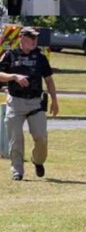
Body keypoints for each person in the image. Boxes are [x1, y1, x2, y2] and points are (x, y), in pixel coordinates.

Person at [0, 27, 59, 181]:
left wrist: (55, 100)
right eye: (31, 38)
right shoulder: (10, 55)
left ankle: (37, 160)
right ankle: (17, 171)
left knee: (41, 137)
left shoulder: (40, 57)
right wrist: (14, 77)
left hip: (35, 103)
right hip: (15, 102)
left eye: (36, 38)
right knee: (15, 138)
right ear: (22, 38)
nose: (35, 41)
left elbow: (49, 80)